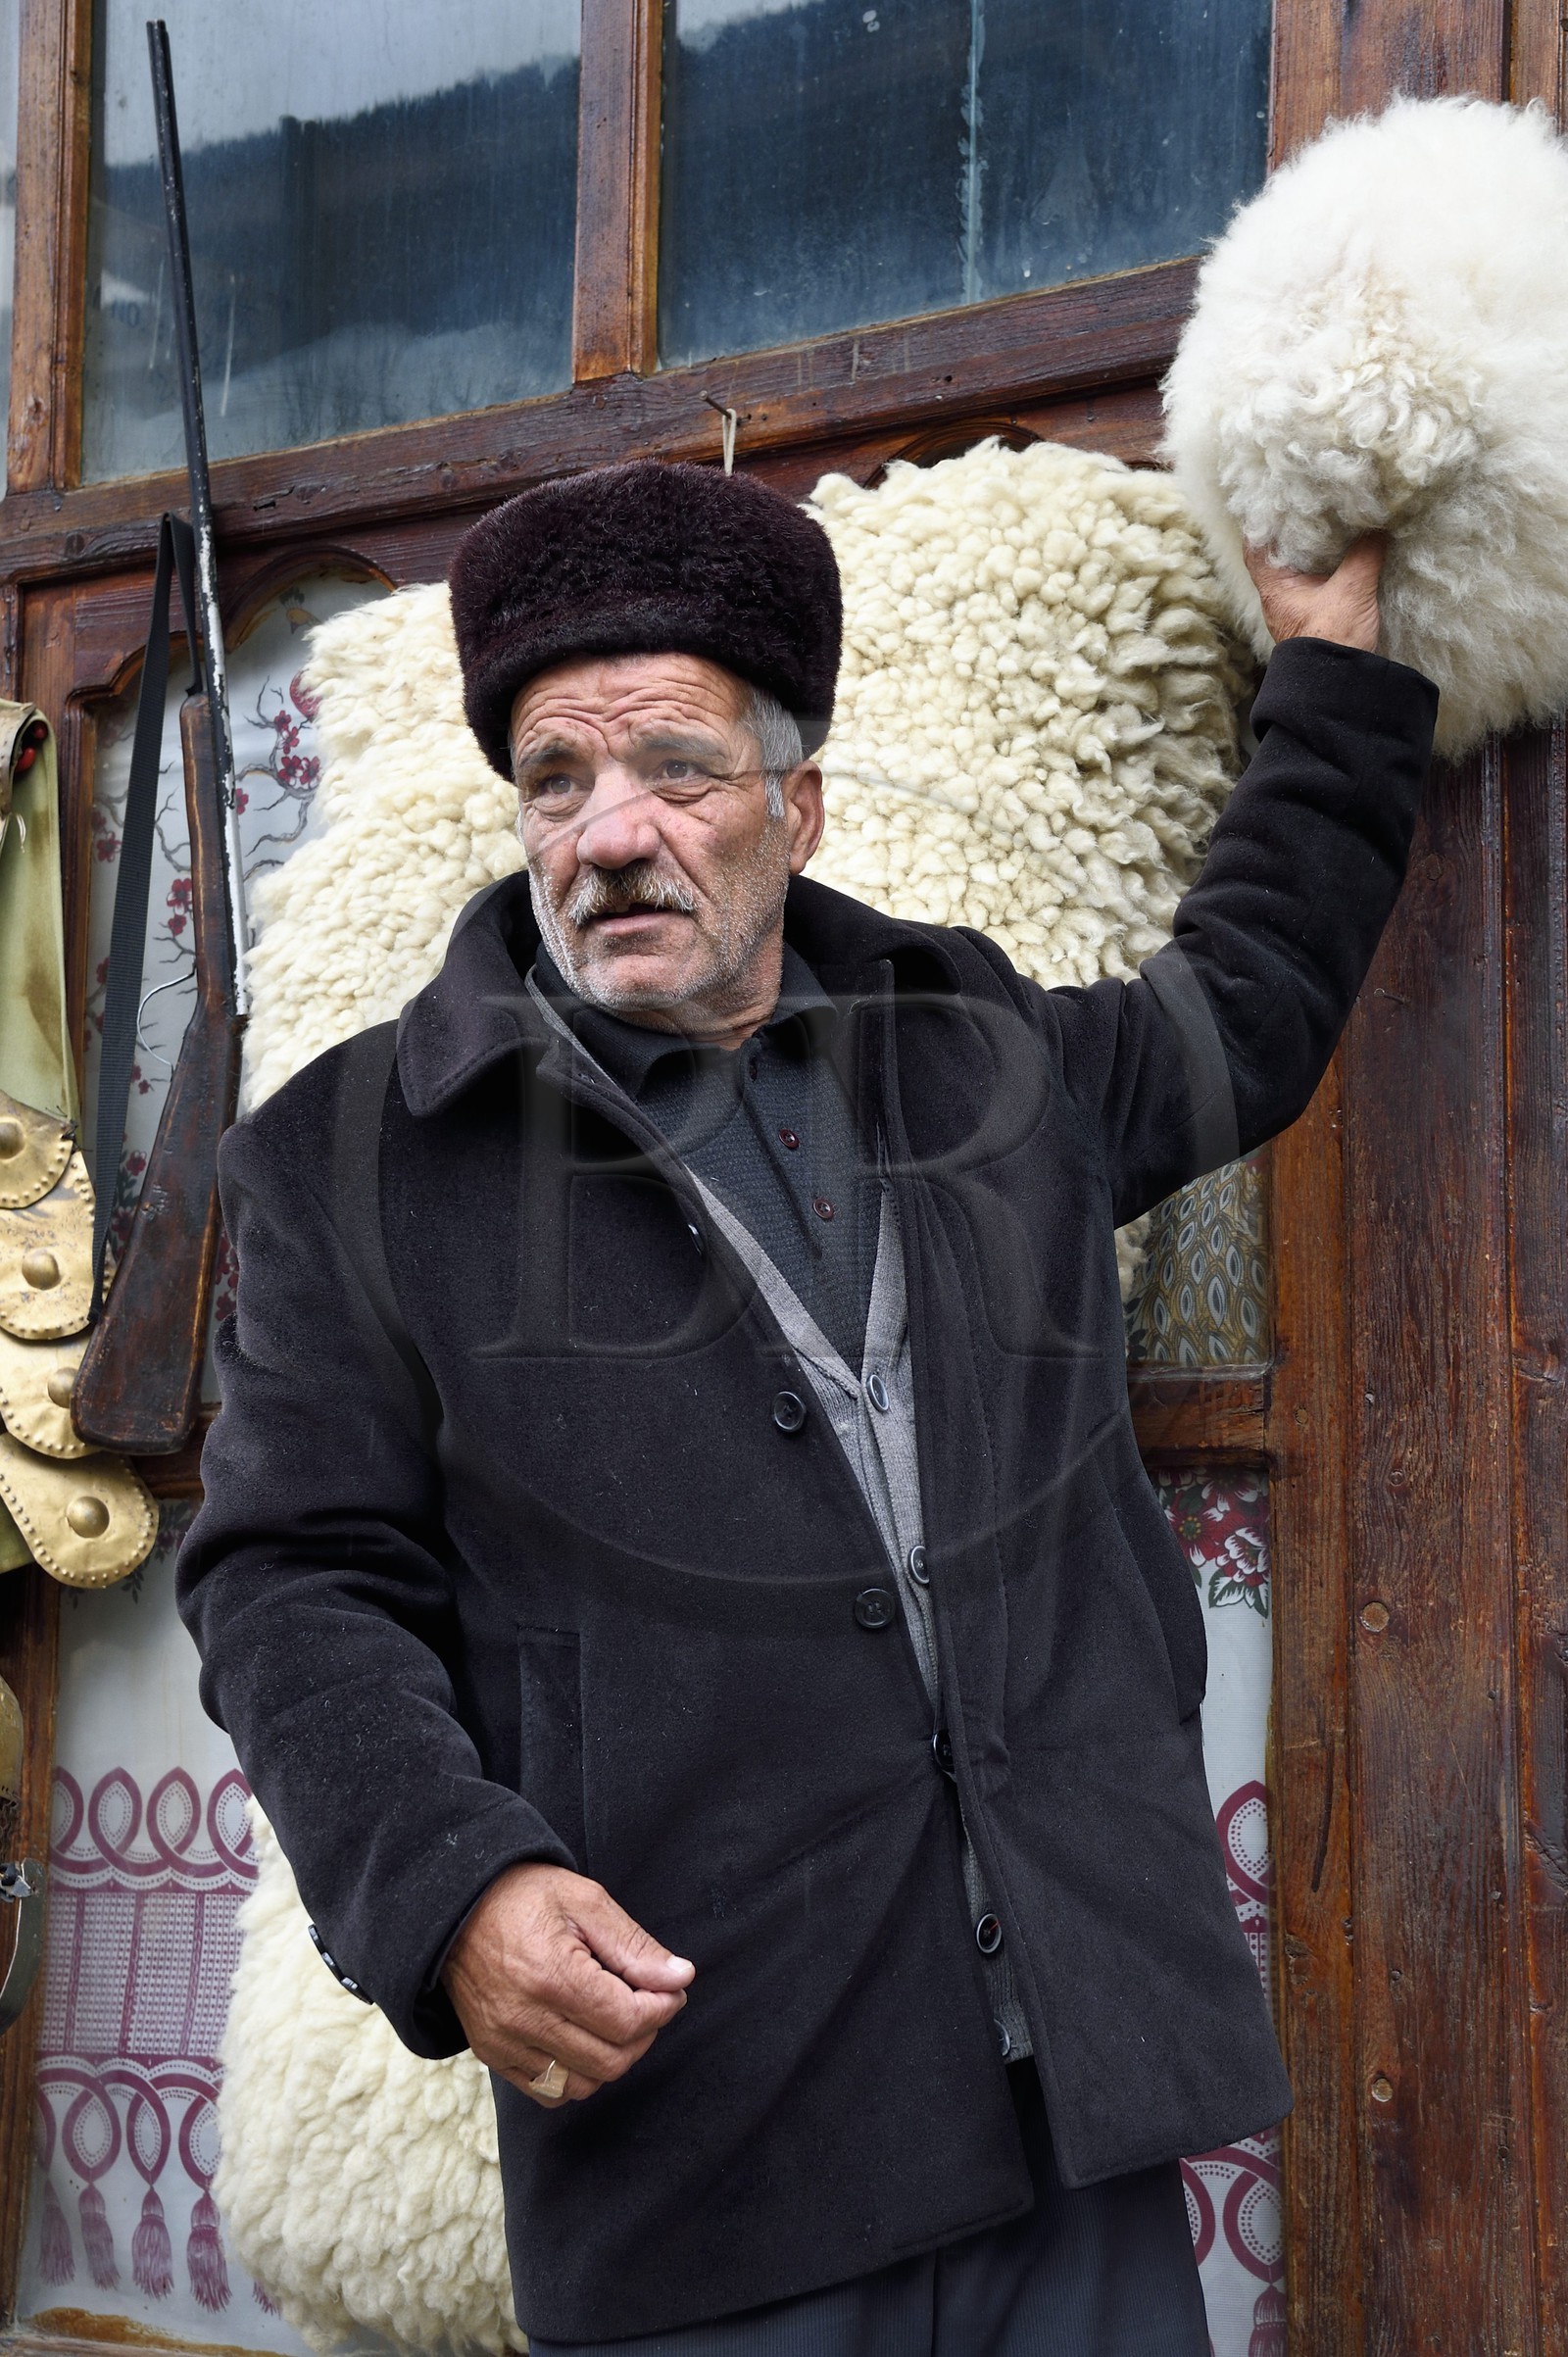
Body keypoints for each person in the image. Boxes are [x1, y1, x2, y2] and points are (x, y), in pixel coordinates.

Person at [178, 460, 1433, 2355]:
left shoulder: (984, 1049)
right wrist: (452, 1889)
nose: (607, 833)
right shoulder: (359, 1156)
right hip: (714, 2153)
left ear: (799, 801)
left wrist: (1331, 658)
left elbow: (1244, 1000)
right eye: (553, 780)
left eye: (673, 766)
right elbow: (286, 1581)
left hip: (1071, 2121)